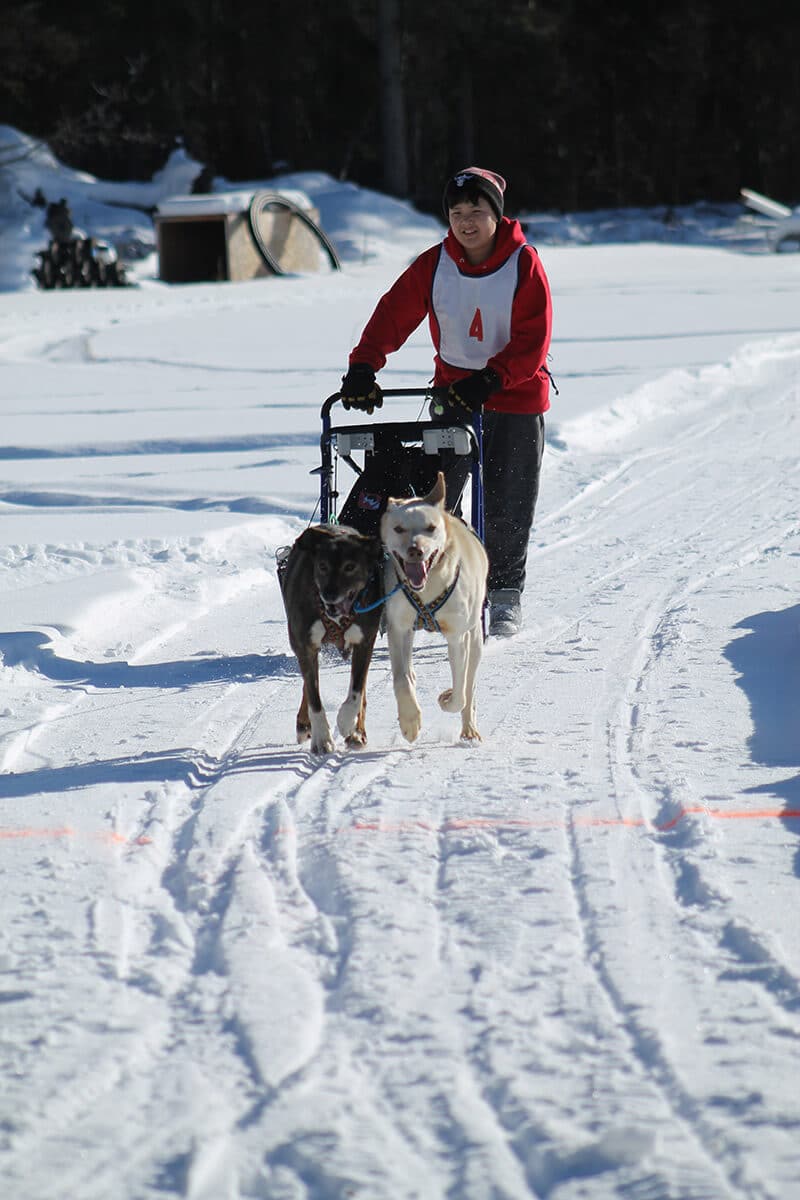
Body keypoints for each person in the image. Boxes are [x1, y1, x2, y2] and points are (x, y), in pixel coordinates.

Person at [339, 166, 553, 637]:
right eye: (456, 213)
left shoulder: (523, 263)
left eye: (476, 211)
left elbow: (533, 339)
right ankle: (432, 589)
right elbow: (393, 314)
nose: (466, 222)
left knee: (506, 500)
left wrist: (493, 378)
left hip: (515, 397)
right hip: (454, 392)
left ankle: (503, 592)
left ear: (497, 214)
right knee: (437, 497)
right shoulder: (434, 264)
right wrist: (364, 366)